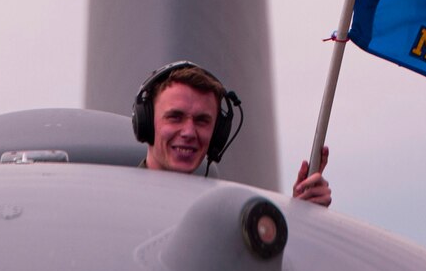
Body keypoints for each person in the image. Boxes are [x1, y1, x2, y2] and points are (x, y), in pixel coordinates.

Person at [133, 61, 331, 205]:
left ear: (218, 133)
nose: (189, 132)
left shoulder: (224, 214)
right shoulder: (114, 204)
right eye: (175, 117)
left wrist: (303, 213)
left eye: (202, 121)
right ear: (147, 122)